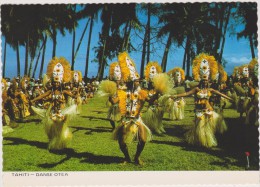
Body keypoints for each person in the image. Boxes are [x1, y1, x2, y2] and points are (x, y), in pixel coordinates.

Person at [171, 53, 233, 148]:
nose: (205, 82)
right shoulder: (196, 89)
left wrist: (230, 98)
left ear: (208, 81)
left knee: (207, 128)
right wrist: (175, 95)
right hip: (199, 111)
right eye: (203, 81)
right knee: (199, 127)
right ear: (200, 81)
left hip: (208, 111)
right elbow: (186, 94)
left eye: (206, 81)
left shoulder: (210, 90)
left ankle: (206, 141)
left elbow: (220, 93)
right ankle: (199, 141)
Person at [111, 52, 152, 165]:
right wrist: (110, 93)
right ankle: (127, 157)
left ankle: (137, 157)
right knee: (122, 142)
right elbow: (114, 102)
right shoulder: (122, 92)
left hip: (137, 119)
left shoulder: (141, 92)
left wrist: (158, 93)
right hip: (125, 120)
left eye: (136, 81)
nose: (136, 82)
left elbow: (149, 101)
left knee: (143, 140)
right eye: (134, 81)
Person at [31, 57, 77, 150]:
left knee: (61, 128)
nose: (56, 84)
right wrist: (34, 100)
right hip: (52, 111)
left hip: (61, 111)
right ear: (53, 82)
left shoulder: (63, 91)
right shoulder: (50, 91)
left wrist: (76, 97)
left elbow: (71, 95)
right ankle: (52, 141)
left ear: (60, 83)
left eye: (57, 83)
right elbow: (42, 96)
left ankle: (61, 142)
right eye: (55, 82)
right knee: (51, 128)